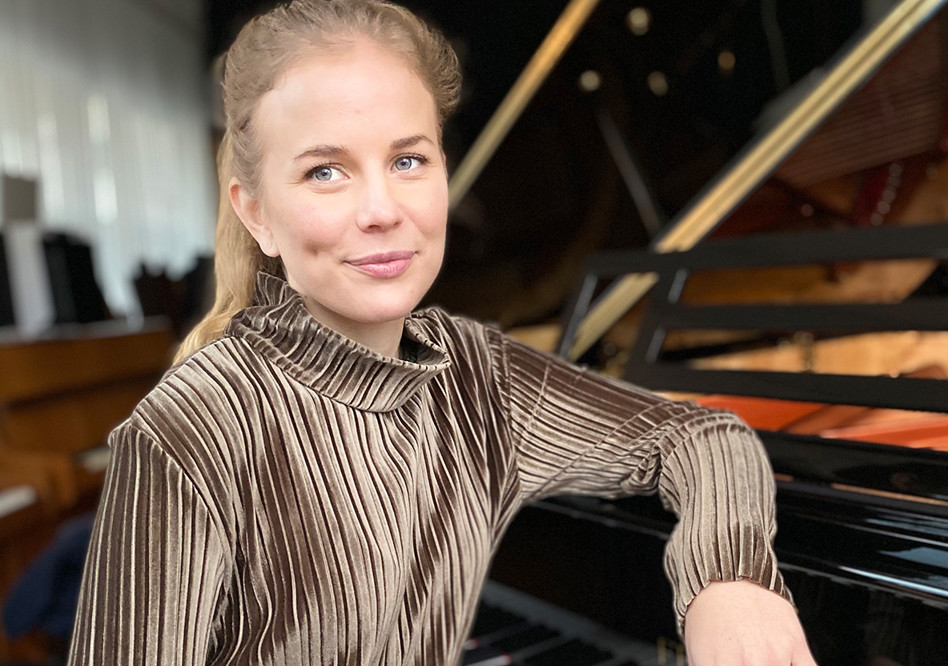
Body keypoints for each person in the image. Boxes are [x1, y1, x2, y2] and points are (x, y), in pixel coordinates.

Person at [67, 1, 816, 664]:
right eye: (327, 171)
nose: (382, 208)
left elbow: (699, 437)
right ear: (256, 212)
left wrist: (728, 578)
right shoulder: (188, 431)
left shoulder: (477, 376)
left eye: (408, 159)